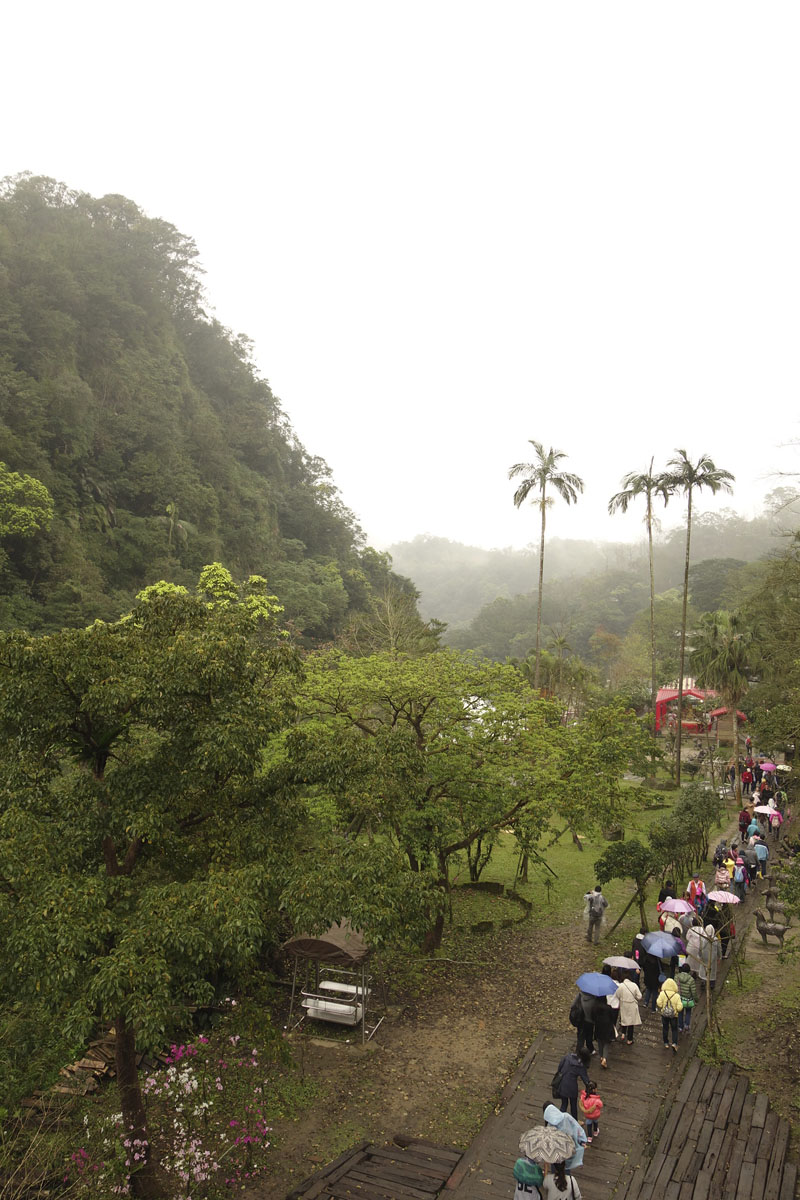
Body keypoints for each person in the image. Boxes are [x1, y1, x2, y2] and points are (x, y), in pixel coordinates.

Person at [543, 1102, 587, 1170]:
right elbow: (577, 1128)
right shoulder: (566, 1116)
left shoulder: (549, 1126)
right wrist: (582, 1140)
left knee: (556, 1169)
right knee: (566, 1168)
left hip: (556, 1154)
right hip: (568, 1148)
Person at [553, 1050, 591, 1120]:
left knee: (564, 1104)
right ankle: (575, 1121)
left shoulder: (567, 1057)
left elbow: (560, 1067)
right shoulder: (580, 1066)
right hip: (572, 1087)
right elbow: (586, 1080)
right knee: (573, 1105)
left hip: (562, 1083)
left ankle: (559, 1120)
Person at [656, 975, 683, 1051]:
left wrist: (662, 1007)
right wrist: (676, 1010)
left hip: (664, 1014)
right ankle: (674, 1043)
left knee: (665, 1028)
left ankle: (666, 1042)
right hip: (674, 1015)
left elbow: (658, 1003)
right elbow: (680, 1007)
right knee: (674, 1029)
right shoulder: (676, 995)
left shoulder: (662, 993)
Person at [614, 974, 642, 1044]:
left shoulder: (621, 986)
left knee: (624, 1019)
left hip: (624, 1004)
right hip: (632, 1005)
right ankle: (629, 1039)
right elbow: (639, 996)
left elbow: (617, 995)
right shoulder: (634, 985)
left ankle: (623, 1034)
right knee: (631, 1022)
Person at [592, 998, 616, 1070]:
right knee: (606, 1043)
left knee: (600, 1042)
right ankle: (604, 1059)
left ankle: (601, 1056)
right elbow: (612, 1017)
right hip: (607, 1027)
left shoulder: (595, 1007)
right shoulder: (608, 1008)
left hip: (598, 1026)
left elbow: (593, 1017)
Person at [676, 963, 697, 1034]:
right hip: (688, 1000)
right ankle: (687, 1025)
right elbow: (693, 991)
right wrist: (696, 999)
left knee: (680, 1013)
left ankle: (680, 1026)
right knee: (688, 1012)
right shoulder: (691, 980)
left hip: (679, 999)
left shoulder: (677, 977)